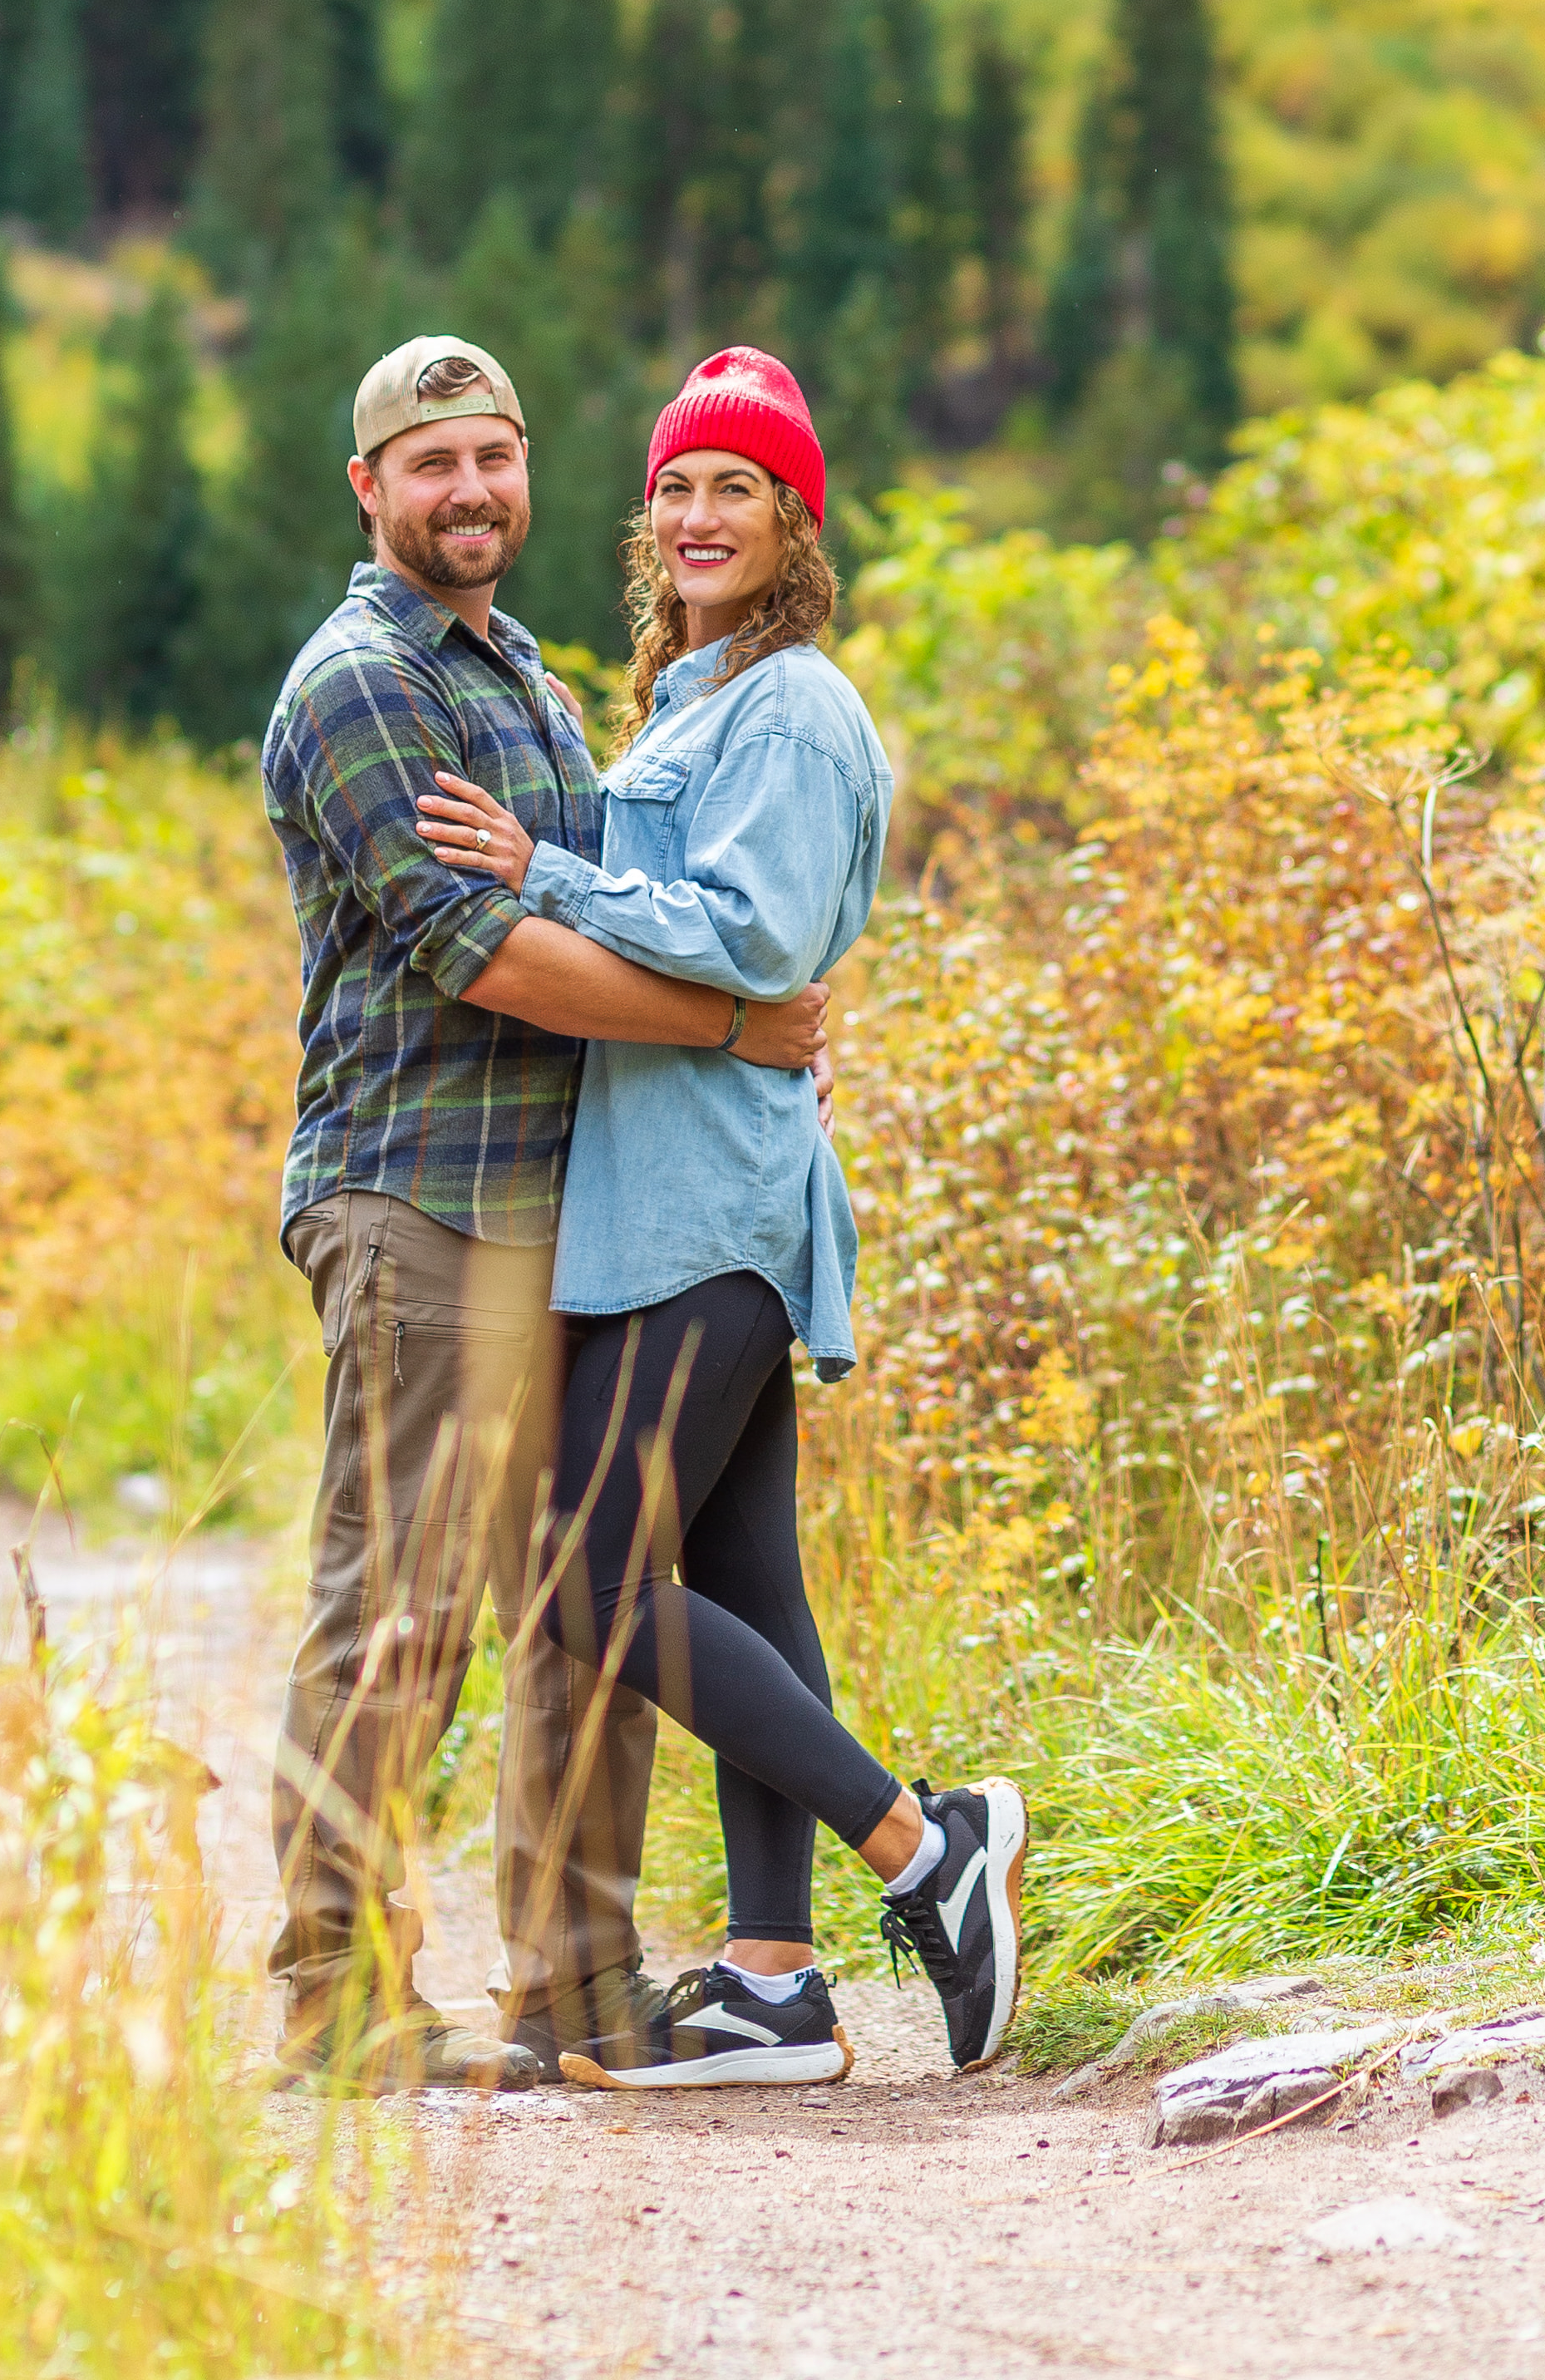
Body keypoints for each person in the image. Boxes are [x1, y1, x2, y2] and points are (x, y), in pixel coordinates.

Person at [414, 344, 1027, 2092]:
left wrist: (544, 869)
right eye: (676, 483)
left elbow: (756, 936)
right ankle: (773, 1977)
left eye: (735, 487)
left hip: (714, 1211)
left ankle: (922, 1849)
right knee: (742, 1571)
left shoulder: (794, 707)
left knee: (577, 1569)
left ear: (794, 521)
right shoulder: (686, 699)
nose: (695, 513)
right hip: (655, 1208)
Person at [263, 331, 835, 2091]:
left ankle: (578, 1985)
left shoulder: (527, 675)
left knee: (581, 1596)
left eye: (495, 456)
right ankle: (336, 1997)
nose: (470, 490)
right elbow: (490, 954)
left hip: (581, 1217)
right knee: (404, 1601)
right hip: (418, 1194)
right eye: (430, 463)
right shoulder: (362, 683)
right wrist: (742, 1023)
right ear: (369, 487)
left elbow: (642, 901)